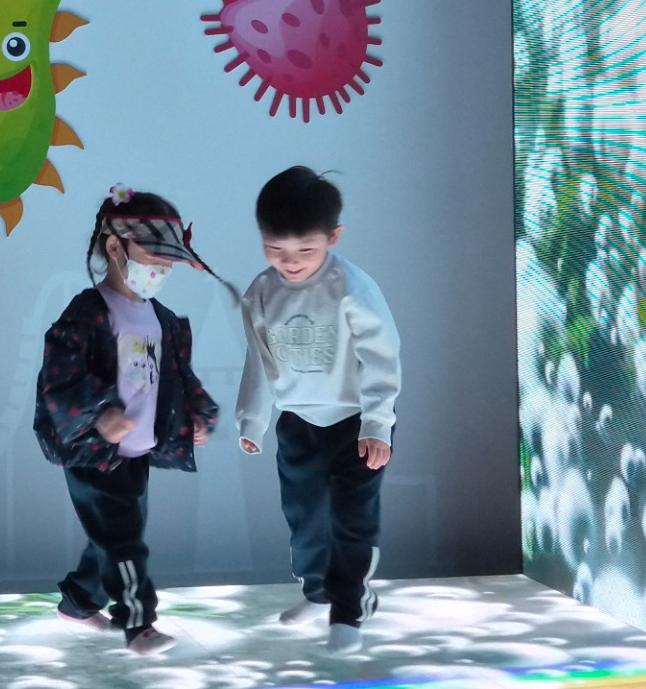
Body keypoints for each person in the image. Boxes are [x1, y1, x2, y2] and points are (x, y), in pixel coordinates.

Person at [34, 185, 220, 656]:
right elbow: (59, 379)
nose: (162, 270)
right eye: (154, 258)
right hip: (95, 455)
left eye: (169, 262)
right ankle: (138, 624)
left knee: (113, 536)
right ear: (115, 247)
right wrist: (100, 412)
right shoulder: (86, 314)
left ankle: (78, 602)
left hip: (136, 452)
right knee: (123, 541)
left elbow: (178, 376)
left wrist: (198, 413)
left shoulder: (161, 318)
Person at [236, 166, 402, 654]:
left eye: (305, 250)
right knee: (304, 516)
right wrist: (253, 420)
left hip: (355, 425)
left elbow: (382, 358)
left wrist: (378, 423)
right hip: (298, 423)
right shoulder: (260, 292)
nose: (290, 262)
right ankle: (318, 591)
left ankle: (348, 608)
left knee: (351, 518)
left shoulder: (352, 288)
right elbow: (259, 360)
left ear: (333, 237)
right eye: (275, 249)